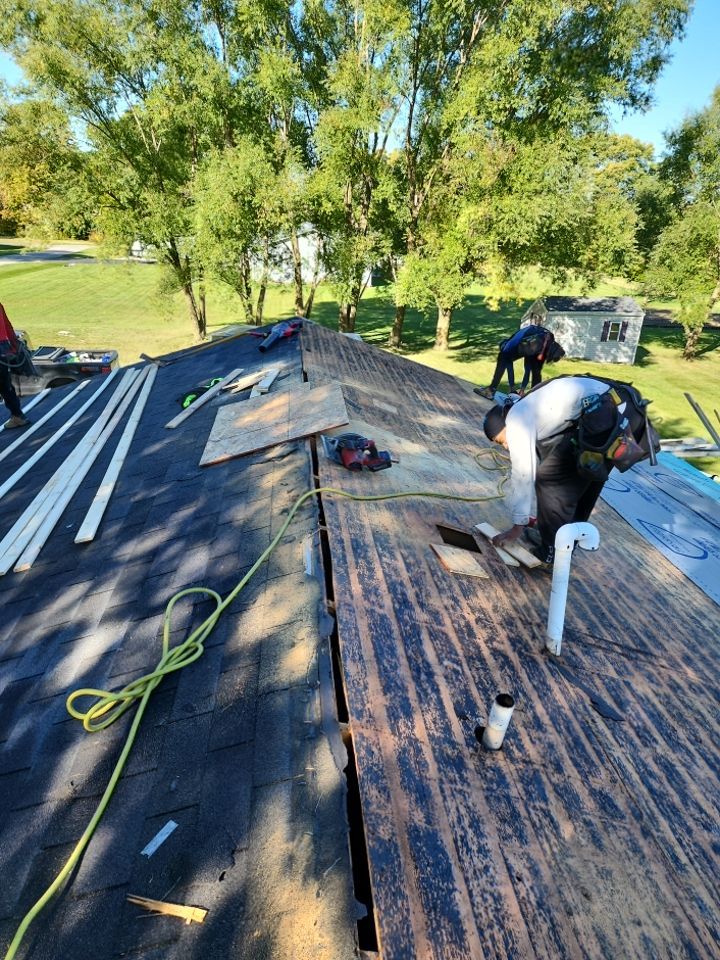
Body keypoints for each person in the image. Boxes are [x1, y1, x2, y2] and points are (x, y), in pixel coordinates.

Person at [482, 376, 624, 567]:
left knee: (549, 480)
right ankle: (565, 540)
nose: (507, 446)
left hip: (602, 415)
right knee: (585, 482)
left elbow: (523, 474)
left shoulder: (516, 420)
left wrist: (518, 526)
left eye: (502, 440)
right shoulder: (529, 406)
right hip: (615, 411)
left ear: (504, 425)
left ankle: (551, 553)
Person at [475, 319, 563, 400]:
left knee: (503, 357)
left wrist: (512, 386)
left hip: (532, 344)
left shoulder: (510, 344)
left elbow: (508, 358)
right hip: (539, 345)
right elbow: (527, 369)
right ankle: (534, 400)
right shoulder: (549, 339)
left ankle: (491, 390)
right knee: (536, 373)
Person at [0, 303, 30, 429]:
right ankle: (18, 416)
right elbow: (7, 325)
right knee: (4, 385)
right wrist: (12, 345)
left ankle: (17, 416)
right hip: (3, 346)